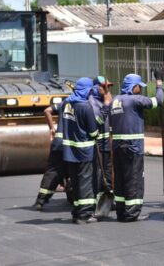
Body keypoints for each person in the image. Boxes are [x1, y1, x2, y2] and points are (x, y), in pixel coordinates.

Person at [110, 73, 164, 222]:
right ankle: (132, 213)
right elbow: (159, 100)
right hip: (133, 147)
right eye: (139, 86)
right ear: (133, 87)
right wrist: (159, 83)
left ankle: (121, 212)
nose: (140, 89)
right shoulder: (135, 100)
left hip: (117, 147)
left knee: (120, 180)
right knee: (134, 180)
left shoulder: (115, 101)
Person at [60, 77, 99, 224]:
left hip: (70, 151)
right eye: (90, 91)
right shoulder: (85, 107)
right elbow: (93, 132)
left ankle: (76, 212)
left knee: (75, 182)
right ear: (87, 90)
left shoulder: (67, 103)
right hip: (84, 151)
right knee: (85, 183)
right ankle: (85, 214)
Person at [33, 99, 67, 211]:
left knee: (52, 171)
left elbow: (47, 110)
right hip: (72, 145)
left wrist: (52, 128)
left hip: (58, 142)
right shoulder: (84, 104)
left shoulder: (64, 102)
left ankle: (40, 200)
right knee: (77, 171)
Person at [90, 76, 114, 212]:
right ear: (96, 87)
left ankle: (109, 200)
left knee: (108, 174)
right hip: (97, 146)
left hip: (107, 145)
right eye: (105, 87)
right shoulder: (92, 103)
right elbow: (97, 122)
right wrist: (106, 103)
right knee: (98, 176)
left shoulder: (106, 101)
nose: (108, 90)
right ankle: (96, 203)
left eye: (109, 87)